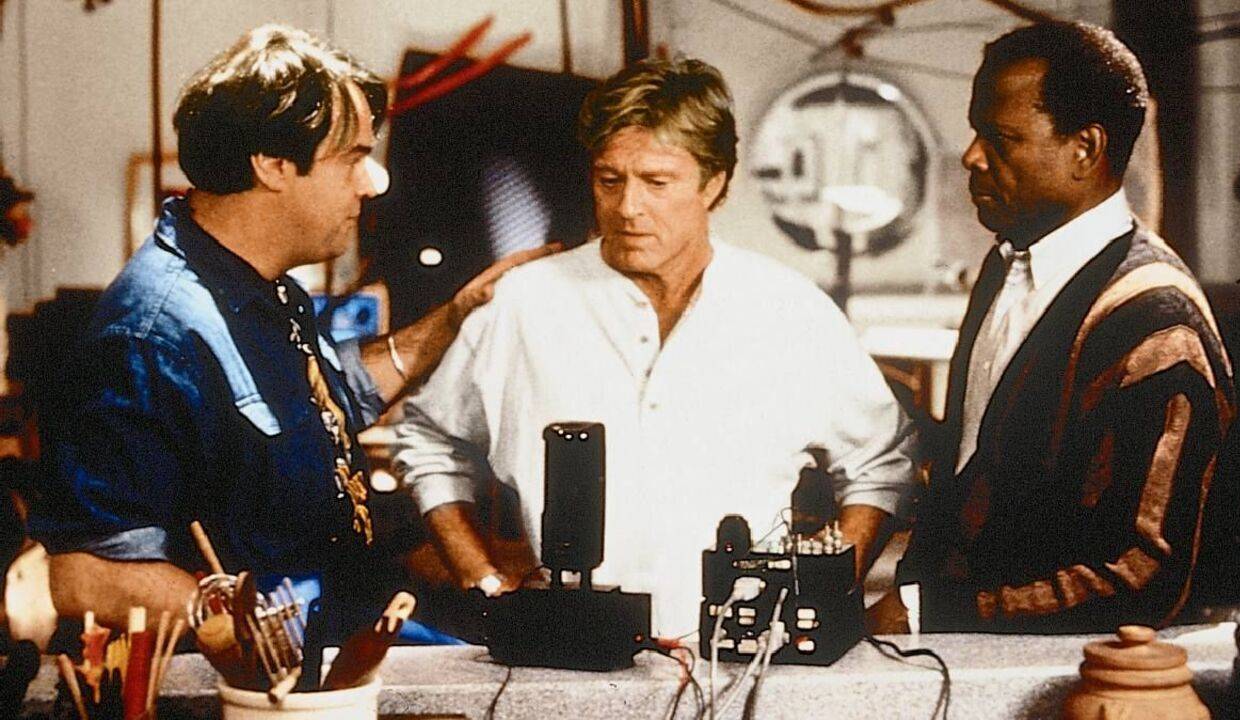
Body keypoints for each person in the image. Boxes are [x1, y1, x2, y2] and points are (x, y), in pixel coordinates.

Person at [27, 24, 555, 632]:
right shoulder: (151, 337)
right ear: (273, 164)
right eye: (353, 158)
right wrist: (257, 636)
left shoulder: (263, 286)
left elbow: (331, 398)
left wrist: (456, 315)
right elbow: (87, 574)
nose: (373, 181)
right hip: (277, 668)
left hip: (349, 629)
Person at [392, 57, 918, 636]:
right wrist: (483, 578)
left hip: (747, 655)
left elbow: (879, 462)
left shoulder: (789, 310)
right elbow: (430, 441)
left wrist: (822, 593)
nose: (627, 208)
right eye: (609, 180)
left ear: (714, 184)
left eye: (657, 183)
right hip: (569, 649)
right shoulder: (525, 304)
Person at [871, 21, 1235, 633]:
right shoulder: (1005, 264)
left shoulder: (1157, 322)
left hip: (1065, 670)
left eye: (1001, 138)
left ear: (1085, 149)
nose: (971, 156)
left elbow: (1144, 577)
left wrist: (923, 612)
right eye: (975, 131)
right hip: (950, 656)